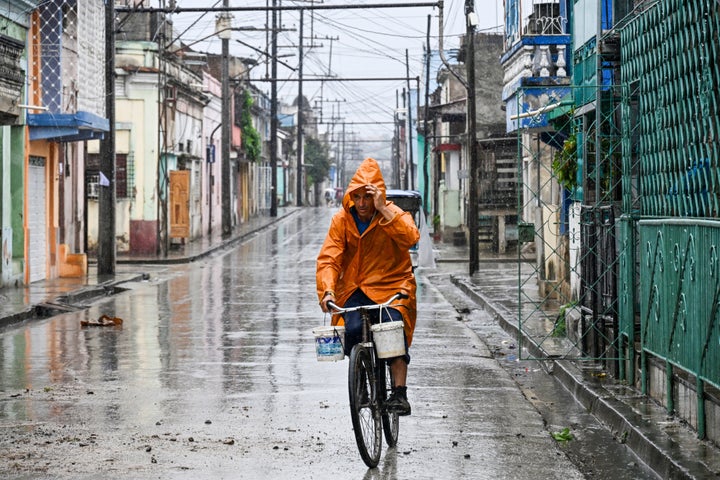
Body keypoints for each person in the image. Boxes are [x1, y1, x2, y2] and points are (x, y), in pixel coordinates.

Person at [316, 157, 420, 415]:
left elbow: (410, 237)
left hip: (392, 285)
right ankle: (361, 380)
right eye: (357, 197)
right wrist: (327, 290)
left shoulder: (393, 214)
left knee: (392, 333)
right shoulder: (341, 221)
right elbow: (329, 258)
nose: (362, 204)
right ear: (351, 196)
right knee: (351, 332)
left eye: (367, 197)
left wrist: (384, 210)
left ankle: (399, 393)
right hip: (354, 289)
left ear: (377, 196)